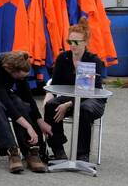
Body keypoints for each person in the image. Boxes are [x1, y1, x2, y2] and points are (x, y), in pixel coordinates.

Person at [0, 50, 51, 174]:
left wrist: (39, 120)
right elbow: (6, 103)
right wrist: (28, 126)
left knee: (22, 105)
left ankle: (30, 151)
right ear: (11, 71)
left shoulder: (19, 63)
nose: (22, 79)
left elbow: (27, 96)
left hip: (1, 94)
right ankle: (12, 151)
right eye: (21, 77)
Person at [43, 20, 107, 162]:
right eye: (69, 41)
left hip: (91, 99)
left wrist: (68, 105)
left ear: (85, 42)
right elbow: (55, 83)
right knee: (50, 106)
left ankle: (82, 153)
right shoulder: (63, 58)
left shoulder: (93, 61)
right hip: (69, 97)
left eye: (76, 42)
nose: (72, 45)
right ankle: (58, 149)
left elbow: (91, 90)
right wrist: (49, 95)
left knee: (84, 109)